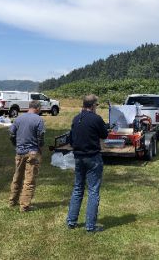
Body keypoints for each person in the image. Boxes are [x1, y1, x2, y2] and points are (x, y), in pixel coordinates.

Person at [66, 95, 108, 232]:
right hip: (93, 158)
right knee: (93, 191)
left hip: (78, 157)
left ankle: (71, 221)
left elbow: (71, 139)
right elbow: (104, 135)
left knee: (78, 188)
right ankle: (90, 226)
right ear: (93, 105)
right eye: (96, 105)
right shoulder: (96, 119)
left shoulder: (76, 118)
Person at [9, 100, 45, 212]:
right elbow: (41, 136)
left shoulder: (18, 118)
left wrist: (16, 144)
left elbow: (11, 133)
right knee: (29, 180)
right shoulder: (39, 119)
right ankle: (24, 206)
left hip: (19, 152)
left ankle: (12, 201)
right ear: (38, 108)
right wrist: (40, 146)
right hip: (32, 153)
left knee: (17, 177)